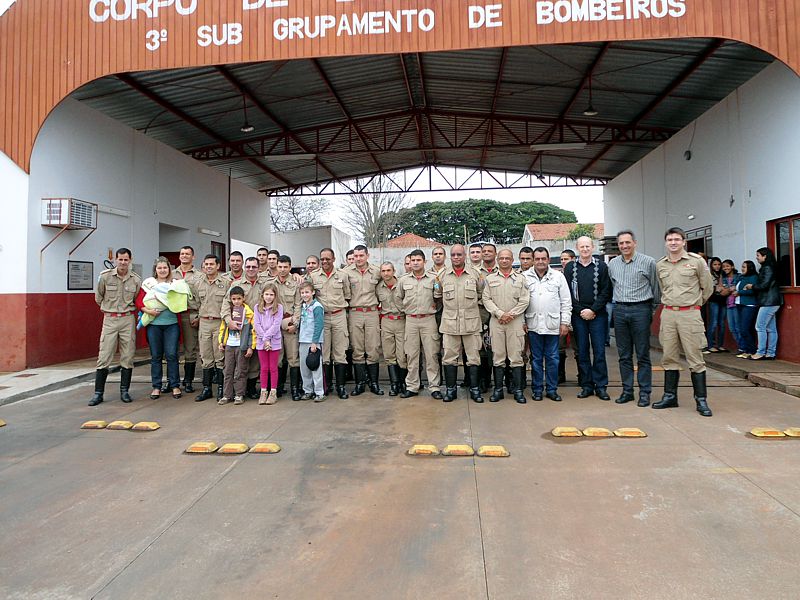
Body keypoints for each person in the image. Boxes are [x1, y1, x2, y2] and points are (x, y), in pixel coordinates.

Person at [653, 227, 714, 417]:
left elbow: (708, 287)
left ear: (684, 242)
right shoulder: (660, 265)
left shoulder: (696, 262)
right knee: (669, 356)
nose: (673, 243)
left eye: (677, 239)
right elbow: (662, 288)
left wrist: (694, 304)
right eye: (670, 239)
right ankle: (670, 396)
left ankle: (701, 400)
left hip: (690, 314)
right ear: (665, 242)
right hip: (668, 314)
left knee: (695, 358)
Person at [606, 230, 659, 406]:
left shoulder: (648, 262)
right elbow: (613, 285)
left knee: (642, 354)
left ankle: (644, 393)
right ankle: (627, 391)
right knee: (624, 355)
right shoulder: (613, 264)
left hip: (641, 310)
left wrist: (649, 311)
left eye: (627, 242)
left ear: (634, 243)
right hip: (620, 310)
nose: (624, 246)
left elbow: (656, 288)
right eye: (621, 243)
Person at [89, 248, 142, 406]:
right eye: (120, 259)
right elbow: (99, 297)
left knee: (128, 355)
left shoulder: (136, 280)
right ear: (115, 260)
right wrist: (109, 309)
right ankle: (98, 393)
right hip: (110, 319)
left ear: (130, 260)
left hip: (127, 319)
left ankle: (124, 391)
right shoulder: (105, 277)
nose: (123, 262)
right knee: (104, 355)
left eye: (126, 260)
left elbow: (136, 299)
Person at [563, 236, 612, 400]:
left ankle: (601, 386)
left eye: (587, 246)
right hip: (578, 315)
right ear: (577, 248)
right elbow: (567, 293)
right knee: (582, 352)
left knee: (599, 352)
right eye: (582, 246)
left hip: (598, 315)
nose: (585, 249)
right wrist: (581, 311)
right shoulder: (570, 267)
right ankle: (586, 385)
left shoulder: (602, 266)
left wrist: (593, 310)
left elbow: (606, 291)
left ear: (593, 247)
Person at [436, 244, 485, 403]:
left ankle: (475, 389)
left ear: (465, 255)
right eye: (453, 255)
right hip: (450, 324)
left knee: (474, 358)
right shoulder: (442, 275)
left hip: (471, 324)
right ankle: (451, 390)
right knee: (449, 358)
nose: (456, 257)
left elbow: (481, 292)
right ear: (450, 257)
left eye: (459, 254)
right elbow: (437, 293)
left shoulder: (476, 274)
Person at [482, 249, 530, 403]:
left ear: (512, 259)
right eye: (501, 258)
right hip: (497, 322)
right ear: (497, 259)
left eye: (507, 258)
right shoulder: (490, 279)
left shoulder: (521, 279)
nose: (504, 260)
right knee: (498, 356)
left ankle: (517, 391)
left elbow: (525, 300)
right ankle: (498, 390)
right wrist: (500, 313)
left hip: (515, 322)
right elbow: (486, 299)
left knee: (516, 357)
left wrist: (511, 315)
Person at [524, 247, 571, 401]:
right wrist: (523, 321)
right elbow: (520, 302)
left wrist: (565, 322)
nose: (540, 261)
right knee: (536, 359)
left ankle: (552, 389)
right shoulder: (525, 277)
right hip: (533, 325)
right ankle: (537, 390)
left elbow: (566, 301)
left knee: (552, 358)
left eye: (543, 258)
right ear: (533, 260)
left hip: (552, 325)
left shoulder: (558, 277)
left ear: (549, 260)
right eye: (537, 259)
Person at [397, 249, 443, 399]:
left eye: (418, 260)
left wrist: (433, 309)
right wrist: (406, 310)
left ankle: (434, 387)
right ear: (409, 262)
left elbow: (438, 298)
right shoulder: (403, 280)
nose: (415, 263)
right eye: (413, 260)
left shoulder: (433, 279)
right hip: (410, 320)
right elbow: (398, 298)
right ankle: (412, 386)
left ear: (424, 262)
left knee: (431, 354)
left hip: (428, 319)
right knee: (411, 355)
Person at [307, 247, 351, 399]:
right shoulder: (313, 276)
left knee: (340, 352)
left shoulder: (343, 275)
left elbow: (348, 295)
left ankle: (341, 387)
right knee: (324, 353)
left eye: (328, 259)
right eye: (322, 259)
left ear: (333, 259)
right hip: (322, 318)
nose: (325, 261)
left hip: (339, 315)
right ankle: (326, 386)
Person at [221, 257, 264, 400]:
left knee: (254, 359)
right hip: (238, 328)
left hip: (257, 325)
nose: (251, 269)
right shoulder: (237, 284)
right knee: (237, 362)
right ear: (245, 267)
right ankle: (234, 392)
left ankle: (250, 388)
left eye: (254, 267)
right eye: (248, 266)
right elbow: (226, 304)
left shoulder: (264, 283)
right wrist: (229, 321)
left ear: (258, 268)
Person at [138, 257, 181, 400]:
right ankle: (156, 386)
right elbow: (139, 302)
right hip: (154, 325)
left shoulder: (175, 284)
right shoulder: (148, 284)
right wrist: (149, 311)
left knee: (171, 355)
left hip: (171, 324)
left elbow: (181, 301)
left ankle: (174, 385)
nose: (162, 270)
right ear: (155, 270)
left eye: (165, 268)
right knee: (156, 356)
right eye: (159, 268)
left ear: (169, 269)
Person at [343, 244, 384, 396]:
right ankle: (360, 383)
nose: (358, 259)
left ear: (367, 256)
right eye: (356, 256)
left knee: (373, 348)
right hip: (355, 313)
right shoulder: (346, 272)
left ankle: (374, 383)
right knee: (357, 349)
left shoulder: (377, 271)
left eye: (361, 255)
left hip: (372, 312)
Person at [192, 254, 231, 402]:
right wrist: (196, 317)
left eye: (211, 264)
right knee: (206, 356)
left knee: (220, 357)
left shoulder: (226, 283)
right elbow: (196, 302)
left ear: (218, 266)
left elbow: (229, 303)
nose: (208, 267)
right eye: (206, 264)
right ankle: (207, 388)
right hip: (204, 323)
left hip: (219, 323)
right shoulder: (198, 283)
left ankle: (221, 388)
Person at [217, 286, 255, 405]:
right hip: (229, 344)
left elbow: (252, 332)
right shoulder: (229, 312)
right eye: (234, 299)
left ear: (243, 298)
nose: (236, 301)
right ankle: (227, 395)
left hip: (241, 345)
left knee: (241, 370)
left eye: (239, 298)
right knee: (228, 370)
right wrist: (221, 342)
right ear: (230, 299)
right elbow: (223, 328)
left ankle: (239, 394)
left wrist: (251, 346)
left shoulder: (248, 313)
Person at [272, 255, 303, 400]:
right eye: (280, 267)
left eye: (285, 267)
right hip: (275, 326)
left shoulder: (296, 283)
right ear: (276, 267)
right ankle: (278, 388)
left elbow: (298, 305)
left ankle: (295, 389)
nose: (282, 269)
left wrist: (295, 324)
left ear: (290, 267)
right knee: (278, 358)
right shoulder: (271, 283)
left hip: (290, 324)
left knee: (293, 357)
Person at [172, 245, 200, 393]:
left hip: (190, 314)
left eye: (187, 254)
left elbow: (203, 297)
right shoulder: (171, 274)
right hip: (173, 315)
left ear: (193, 257)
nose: (184, 256)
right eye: (182, 253)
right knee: (171, 350)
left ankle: (188, 381)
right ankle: (172, 381)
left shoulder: (199, 276)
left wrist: (199, 316)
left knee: (190, 348)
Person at [377, 261, 407, 396]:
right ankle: (394, 384)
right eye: (383, 271)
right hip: (386, 321)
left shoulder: (402, 284)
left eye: (388, 270)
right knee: (389, 354)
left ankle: (403, 383)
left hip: (401, 320)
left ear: (394, 271)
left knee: (402, 354)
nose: (386, 273)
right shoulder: (379, 287)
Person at [746, 247, 782, 360]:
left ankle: (760, 352)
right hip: (773, 301)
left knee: (760, 326)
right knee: (771, 329)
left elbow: (764, 285)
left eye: (758, 255)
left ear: (764, 256)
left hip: (768, 301)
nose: (756, 258)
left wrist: (752, 286)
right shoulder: (771, 267)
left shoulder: (767, 268)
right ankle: (770, 353)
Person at [253, 283, 283, 405]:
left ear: (275, 296)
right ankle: (263, 391)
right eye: (266, 294)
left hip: (274, 342)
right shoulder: (257, 307)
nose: (269, 297)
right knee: (264, 368)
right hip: (262, 342)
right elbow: (256, 324)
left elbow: (276, 325)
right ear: (262, 295)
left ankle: (273, 392)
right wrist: (265, 340)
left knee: (273, 367)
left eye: (271, 294)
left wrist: (267, 338)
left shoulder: (279, 308)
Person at [298, 281, 325, 401]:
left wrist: (314, 342)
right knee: (304, 367)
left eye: (307, 292)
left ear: (313, 292)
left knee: (315, 367)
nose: (305, 295)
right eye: (302, 292)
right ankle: (308, 390)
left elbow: (319, 325)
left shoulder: (317, 306)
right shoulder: (303, 306)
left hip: (313, 341)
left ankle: (319, 392)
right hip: (303, 340)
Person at [557, 249, 577, 385]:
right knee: (560, 346)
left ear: (573, 259)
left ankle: (583, 375)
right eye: (562, 259)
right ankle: (560, 375)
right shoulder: (557, 275)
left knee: (578, 347)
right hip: (561, 315)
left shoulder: (578, 273)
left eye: (566, 259)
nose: (564, 262)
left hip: (576, 315)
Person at [733, 260, 758, 358]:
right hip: (740, 303)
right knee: (744, 328)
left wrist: (740, 292)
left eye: (744, 267)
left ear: (749, 268)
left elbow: (753, 291)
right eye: (742, 267)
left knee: (745, 329)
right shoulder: (741, 277)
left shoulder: (753, 277)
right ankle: (747, 349)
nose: (742, 269)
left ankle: (751, 350)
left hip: (749, 305)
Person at [704, 257, 727, 353]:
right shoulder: (709, 275)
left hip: (723, 300)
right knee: (713, 323)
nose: (717, 266)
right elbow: (706, 288)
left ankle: (720, 345)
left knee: (722, 324)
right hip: (713, 300)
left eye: (718, 264)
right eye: (715, 264)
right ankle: (710, 345)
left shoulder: (723, 274)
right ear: (711, 265)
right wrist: (715, 289)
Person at [719, 260, 740, 353]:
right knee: (732, 328)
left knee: (738, 327)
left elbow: (737, 289)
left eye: (727, 266)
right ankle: (740, 346)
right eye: (723, 267)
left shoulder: (738, 276)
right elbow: (722, 293)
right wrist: (730, 289)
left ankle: (743, 347)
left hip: (737, 304)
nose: (725, 268)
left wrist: (727, 289)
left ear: (732, 266)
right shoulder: (723, 278)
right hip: (728, 305)